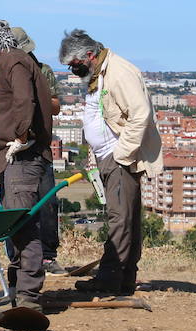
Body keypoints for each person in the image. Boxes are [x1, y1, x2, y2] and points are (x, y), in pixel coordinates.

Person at [58, 29, 163, 297]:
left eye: (74, 63)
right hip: (108, 157)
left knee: (120, 218)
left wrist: (121, 155)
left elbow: (140, 114)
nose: (72, 70)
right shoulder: (99, 74)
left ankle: (109, 279)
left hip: (118, 157)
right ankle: (124, 278)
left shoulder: (119, 72)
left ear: (89, 55)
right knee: (124, 217)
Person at [0, 19, 54, 312]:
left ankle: (28, 297)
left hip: (21, 156)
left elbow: (24, 100)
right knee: (16, 226)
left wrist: (21, 136)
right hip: (12, 157)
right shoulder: (14, 61)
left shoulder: (13, 61)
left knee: (24, 227)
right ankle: (17, 289)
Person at [0, 26, 65, 274]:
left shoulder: (43, 71)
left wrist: (31, 95)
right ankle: (17, 258)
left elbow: (57, 106)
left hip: (39, 147)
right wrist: (18, 99)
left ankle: (48, 256)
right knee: (14, 207)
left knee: (47, 203)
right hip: (13, 150)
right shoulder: (0, 74)